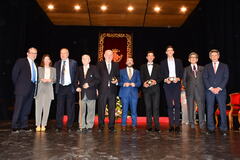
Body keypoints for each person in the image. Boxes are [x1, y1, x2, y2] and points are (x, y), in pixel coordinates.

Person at [203, 49, 229, 136]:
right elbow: (205, 78)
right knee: (209, 110)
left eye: (215, 55)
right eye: (212, 55)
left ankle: (224, 129)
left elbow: (226, 78)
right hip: (209, 91)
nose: (214, 57)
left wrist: (219, 88)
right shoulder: (206, 66)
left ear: (218, 56)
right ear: (210, 57)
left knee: (222, 110)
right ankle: (211, 128)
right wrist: (211, 88)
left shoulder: (224, 66)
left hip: (221, 91)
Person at [11, 47, 38, 133]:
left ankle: (24, 125)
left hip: (31, 89)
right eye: (32, 53)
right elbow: (14, 74)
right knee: (18, 108)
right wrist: (19, 86)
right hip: (21, 89)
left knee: (27, 108)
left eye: (35, 53)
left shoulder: (35, 64)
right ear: (27, 53)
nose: (34, 55)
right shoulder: (21, 61)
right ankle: (14, 126)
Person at [160, 45, 183, 133]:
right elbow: (161, 74)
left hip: (176, 84)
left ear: (173, 52)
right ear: (166, 52)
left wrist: (178, 78)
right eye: (168, 51)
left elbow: (181, 72)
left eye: (171, 50)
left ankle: (176, 125)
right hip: (167, 85)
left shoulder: (178, 61)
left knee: (177, 105)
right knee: (169, 105)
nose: (170, 52)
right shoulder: (162, 62)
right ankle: (170, 125)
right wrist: (165, 79)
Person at [54, 48, 78, 132]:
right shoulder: (57, 63)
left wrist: (76, 86)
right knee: (59, 108)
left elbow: (76, 75)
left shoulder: (73, 63)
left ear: (68, 54)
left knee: (70, 108)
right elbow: (55, 76)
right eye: (61, 53)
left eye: (64, 53)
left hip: (70, 87)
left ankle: (70, 126)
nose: (62, 55)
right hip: (60, 87)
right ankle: (58, 126)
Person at [76, 54, 100, 132]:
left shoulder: (94, 68)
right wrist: (77, 87)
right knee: (82, 111)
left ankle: (89, 126)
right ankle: (81, 126)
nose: (84, 60)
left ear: (89, 60)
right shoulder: (79, 69)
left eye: (86, 59)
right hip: (82, 93)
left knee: (91, 110)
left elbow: (98, 79)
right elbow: (75, 80)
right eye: (83, 59)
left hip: (91, 92)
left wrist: (89, 84)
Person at [97, 50, 119, 132]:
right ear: (104, 55)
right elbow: (97, 77)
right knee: (101, 109)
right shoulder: (99, 64)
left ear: (113, 56)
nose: (109, 56)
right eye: (108, 54)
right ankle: (101, 126)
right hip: (102, 90)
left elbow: (118, 76)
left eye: (111, 55)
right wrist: (96, 89)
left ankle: (111, 126)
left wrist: (117, 81)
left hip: (112, 91)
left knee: (112, 109)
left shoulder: (116, 64)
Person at [182, 52, 205, 130]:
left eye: (195, 57)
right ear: (189, 59)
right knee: (190, 107)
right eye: (191, 57)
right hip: (190, 91)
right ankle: (191, 123)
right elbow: (184, 81)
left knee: (201, 107)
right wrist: (187, 88)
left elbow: (205, 79)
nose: (193, 59)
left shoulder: (202, 68)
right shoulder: (186, 69)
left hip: (200, 91)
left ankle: (202, 124)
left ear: (197, 59)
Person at [140, 51, 162, 132]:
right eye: (148, 56)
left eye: (151, 56)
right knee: (148, 108)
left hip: (156, 90)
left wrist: (155, 81)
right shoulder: (142, 67)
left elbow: (161, 77)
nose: (150, 57)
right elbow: (141, 77)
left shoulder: (158, 66)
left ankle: (157, 126)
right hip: (146, 90)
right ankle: (149, 126)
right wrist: (143, 83)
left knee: (156, 108)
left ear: (153, 57)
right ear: (146, 57)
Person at [119, 57, 141, 131]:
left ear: (133, 63)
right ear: (126, 62)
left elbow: (139, 83)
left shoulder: (137, 72)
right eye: (128, 60)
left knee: (134, 111)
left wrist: (134, 84)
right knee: (124, 110)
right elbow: (118, 82)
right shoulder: (121, 71)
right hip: (124, 93)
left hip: (134, 94)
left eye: (131, 61)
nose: (129, 62)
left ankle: (134, 125)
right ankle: (123, 125)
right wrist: (124, 84)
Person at [35, 54, 56, 132]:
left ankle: (44, 124)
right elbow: (36, 78)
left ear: (50, 61)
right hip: (40, 88)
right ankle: (38, 125)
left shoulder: (53, 69)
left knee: (46, 108)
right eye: (45, 59)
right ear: (43, 60)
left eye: (48, 59)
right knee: (38, 108)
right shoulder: (39, 68)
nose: (47, 61)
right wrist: (41, 79)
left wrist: (51, 80)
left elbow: (55, 79)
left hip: (49, 88)